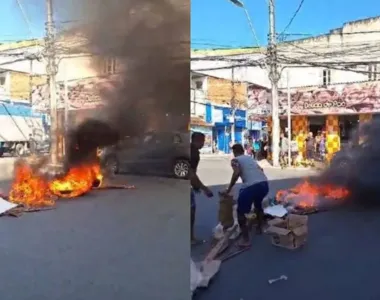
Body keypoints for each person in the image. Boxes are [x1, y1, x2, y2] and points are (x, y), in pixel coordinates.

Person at [223, 144, 269, 248]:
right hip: (264, 184)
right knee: (258, 205)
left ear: (234, 152)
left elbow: (236, 173)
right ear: (243, 151)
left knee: (240, 213)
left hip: (250, 187)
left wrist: (229, 189)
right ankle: (260, 228)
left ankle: (246, 240)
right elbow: (261, 170)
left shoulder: (235, 160)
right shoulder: (250, 159)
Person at [190, 132, 214, 245]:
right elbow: (191, 173)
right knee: (191, 211)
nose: (203, 144)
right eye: (202, 141)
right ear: (197, 140)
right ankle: (190, 239)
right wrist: (204, 188)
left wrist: (195, 185)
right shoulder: (193, 153)